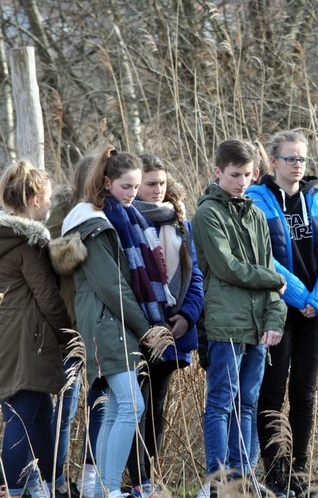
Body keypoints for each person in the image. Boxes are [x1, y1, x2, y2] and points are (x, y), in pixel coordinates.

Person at [53, 146, 166, 498]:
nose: (132, 194)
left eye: (136, 187)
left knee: (119, 406)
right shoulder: (94, 225)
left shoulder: (114, 219)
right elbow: (112, 286)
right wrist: (146, 328)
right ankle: (108, 487)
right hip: (107, 323)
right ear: (106, 182)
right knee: (133, 405)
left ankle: (100, 490)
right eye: (125, 186)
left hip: (116, 325)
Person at [246, 130, 318, 498]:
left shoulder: (317, 199)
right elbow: (260, 254)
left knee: (305, 392)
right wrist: (299, 295)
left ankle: (300, 473)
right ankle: (276, 476)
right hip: (277, 309)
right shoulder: (257, 200)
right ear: (273, 162)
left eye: (302, 159)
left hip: (314, 310)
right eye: (290, 159)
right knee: (272, 393)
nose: (298, 165)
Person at [192, 139, 287, 497]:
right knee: (221, 402)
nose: (242, 181)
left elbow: (271, 278)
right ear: (218, 172)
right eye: (235, 175)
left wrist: (275, 319)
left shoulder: (257, 214)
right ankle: (219, 481)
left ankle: (244, 479)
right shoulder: (207, 215)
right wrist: (275, 279)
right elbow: (227, 268)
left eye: (248, 174)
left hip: (258, 324)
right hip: (225, 322)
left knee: (248, 403)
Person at [126, 154, 204, 498]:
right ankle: (135, 479)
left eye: (162, 183)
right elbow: (126, 282)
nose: (158, 190)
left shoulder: (180, 221)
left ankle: (149, 478)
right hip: (138, 329)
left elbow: (195, 275)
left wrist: (187, 316)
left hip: (174, 330)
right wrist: (150, 325)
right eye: (150, 184)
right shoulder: (122, 219)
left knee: (156, 407)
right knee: (133, 406)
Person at [0, 161, 71, 498]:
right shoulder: (27, 243)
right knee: (23, 416)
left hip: (8, 335)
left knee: (40, 414)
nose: (50, 205)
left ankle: (50, 485)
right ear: (31, 200)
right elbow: (47, 297)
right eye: (46, 198)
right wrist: (69, 336)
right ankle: (15, 490)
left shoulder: (5, 239)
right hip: (29, 339)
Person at [47, 154, 97, 498]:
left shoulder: (111, 210)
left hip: (102, 322)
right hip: (70, 324)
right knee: (66, 404)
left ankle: (94, 478)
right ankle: (56, 478)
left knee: (102, 403)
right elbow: (51, 260)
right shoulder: (63, 212)